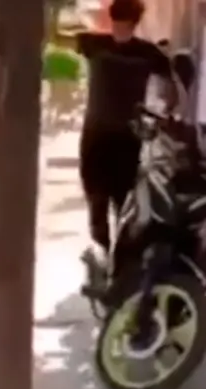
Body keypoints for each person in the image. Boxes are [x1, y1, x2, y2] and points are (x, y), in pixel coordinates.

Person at [75, 0, 186, 254]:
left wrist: (166, 111)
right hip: (96, 135)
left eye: (124, 25)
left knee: (123, 202)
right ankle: (104, 253)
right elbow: (61, 38)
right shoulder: (95, 44)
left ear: (134, 25)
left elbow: (172, 84)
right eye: (116, 25)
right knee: (96, 200)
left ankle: (121, 262)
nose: (119, 30)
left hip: (126, 137)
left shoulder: (147, 53)